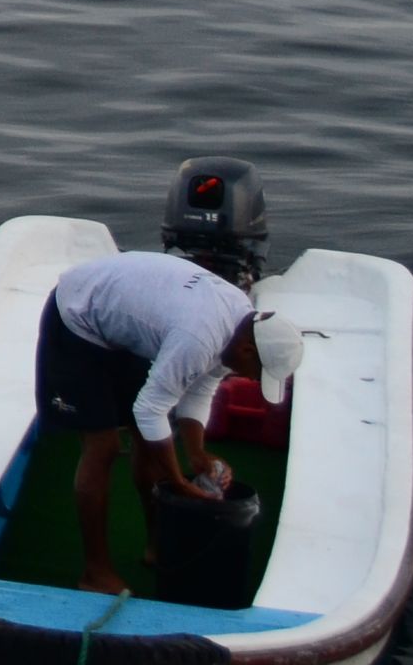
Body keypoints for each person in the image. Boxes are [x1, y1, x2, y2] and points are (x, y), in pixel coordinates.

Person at [35, 248, 303, 595]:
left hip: (124, 321)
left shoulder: (240, 326)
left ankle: (157, 546)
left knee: (148, 441)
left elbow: (201, 387)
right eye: (258, 373)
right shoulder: (199, 337)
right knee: (103, 446)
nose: (253, 380)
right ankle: (95, 572)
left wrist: (197, 454)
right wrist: (177, 481)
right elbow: (150, 409)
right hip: (77, 315)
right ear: (248, 351)